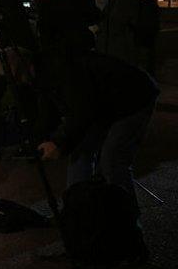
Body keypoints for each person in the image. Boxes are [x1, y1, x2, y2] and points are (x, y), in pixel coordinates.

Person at [36, 50, 159, 206]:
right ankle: (77, 208)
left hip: (133, 100)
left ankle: (126, 215)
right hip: (105, 104)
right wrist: (46, 137)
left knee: (112, 159)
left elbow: (81, 111)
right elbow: (55, 111)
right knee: (80, 150)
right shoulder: (46, 73)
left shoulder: (67, 73)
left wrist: (59, 142)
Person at [96, 0, 141, 66]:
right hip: (119, 52)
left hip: (118, 54)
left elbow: (112, 26)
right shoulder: (125, 0)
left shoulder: (124, 2)